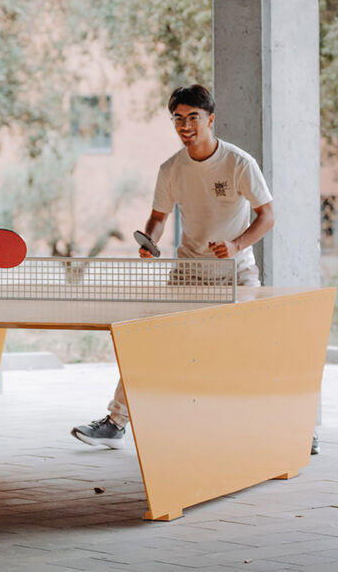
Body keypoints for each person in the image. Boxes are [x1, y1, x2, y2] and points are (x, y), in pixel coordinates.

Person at [70, 83, 282, 449]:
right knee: (149, 340)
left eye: (193, 118)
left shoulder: (238, 163)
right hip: (187, 273)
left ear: (210, 119)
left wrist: (236, 245)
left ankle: (290, 427)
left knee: (253, 349)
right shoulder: (171, 169)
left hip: (236, 274)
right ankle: (116, 422)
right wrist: (150, 241)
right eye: (178, 119)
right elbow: (158, 217)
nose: (185, 126)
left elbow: (267, 215)